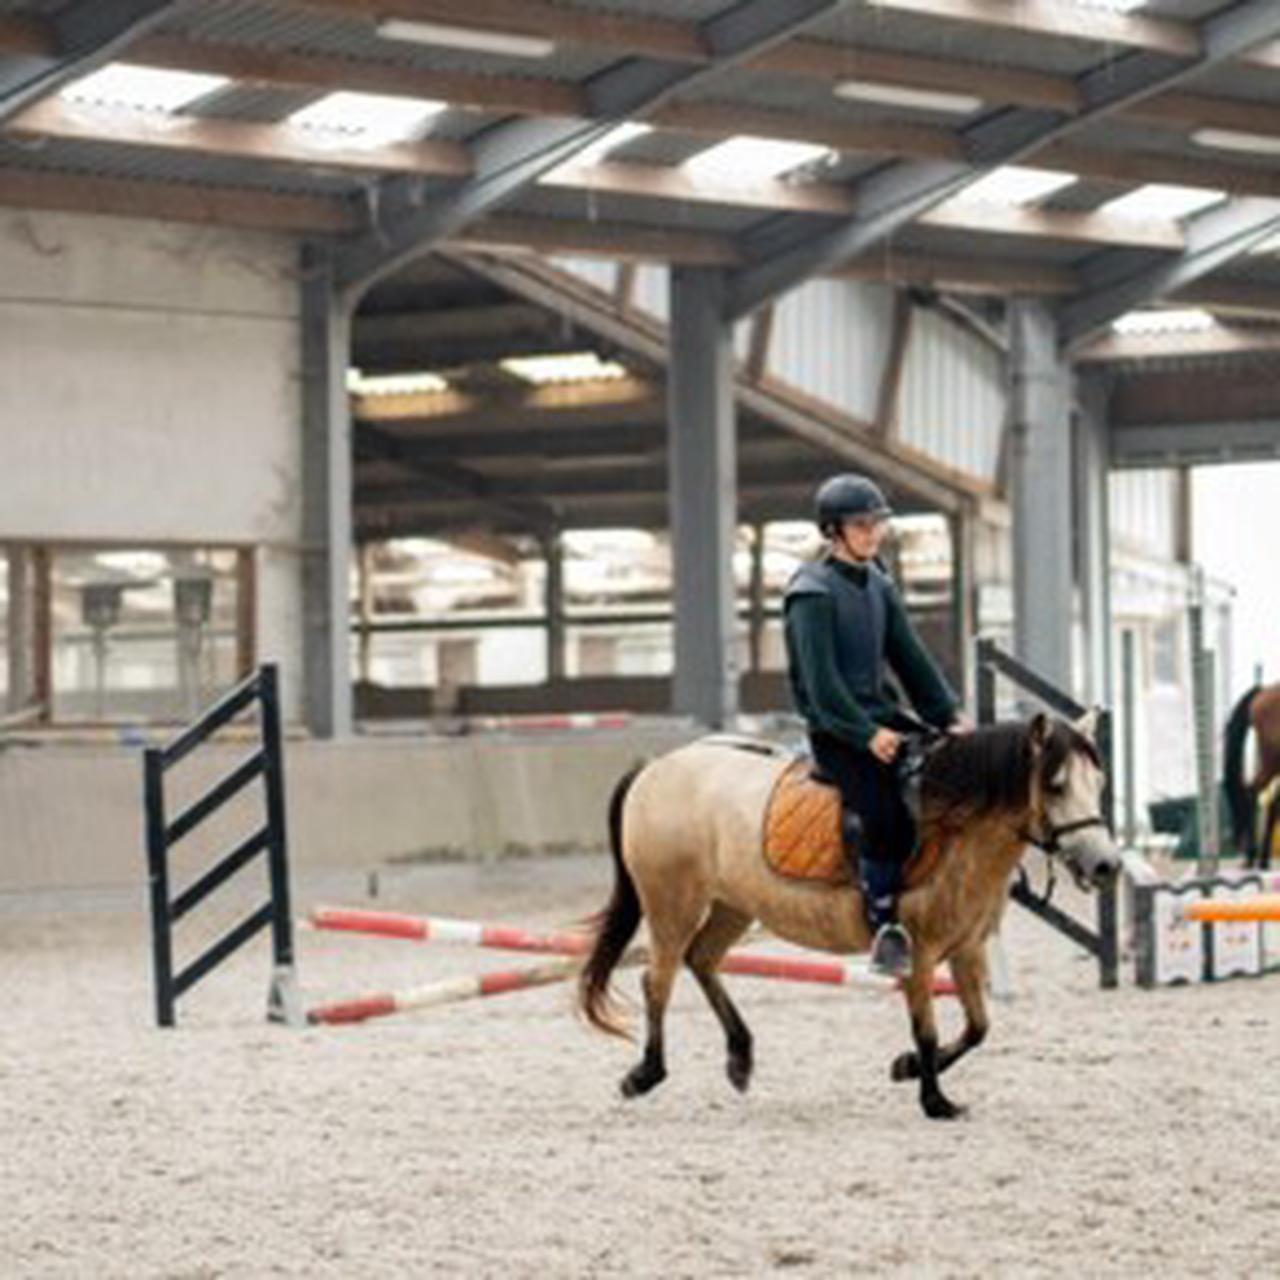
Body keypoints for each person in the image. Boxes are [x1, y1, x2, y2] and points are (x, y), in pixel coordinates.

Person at [783, 473, 969, 977]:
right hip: (835, 728)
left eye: (876, 523)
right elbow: (821, 688)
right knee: (886, 813)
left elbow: (910, 658)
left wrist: (946, 716)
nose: (872, 533)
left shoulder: (880, 585)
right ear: (834, 531)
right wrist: (866, 735)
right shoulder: (811, 594)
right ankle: (883, 921)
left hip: (881, 716)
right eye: (861, 525)